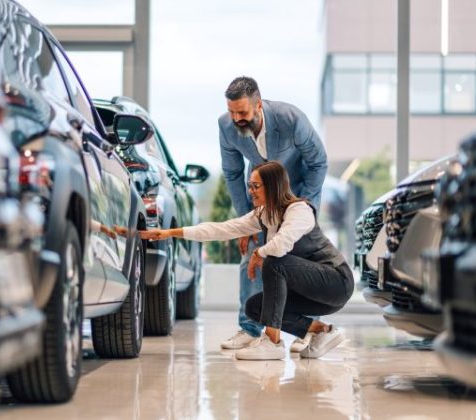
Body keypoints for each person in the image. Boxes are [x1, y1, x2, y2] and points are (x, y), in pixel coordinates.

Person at [140, 162, 353, 360]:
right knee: (255, 307)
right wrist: (170, 233)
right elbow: (222, 229)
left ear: (273, 187)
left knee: (273, 261)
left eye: (255, 186)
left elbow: (282, 245)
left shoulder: (299, 211)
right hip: (311, 292)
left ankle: (273, 343)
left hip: (336, 283)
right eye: (250, 185)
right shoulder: (263, 214)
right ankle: (323, 331)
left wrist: (257, 254)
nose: (250, 191)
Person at [219, 76, 328, 352]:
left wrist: (308, 207)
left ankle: (309, 331)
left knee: (300, 256)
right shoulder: (226, 125)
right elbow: (232, 172)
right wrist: (247, 221)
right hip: (261, 196)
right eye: (232, 112)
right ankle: (249, 328)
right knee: (252, 253)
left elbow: (318, 161)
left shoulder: (291, 119)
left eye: (242, 113)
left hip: (297, 191)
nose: (236, 119)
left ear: (258, 105)